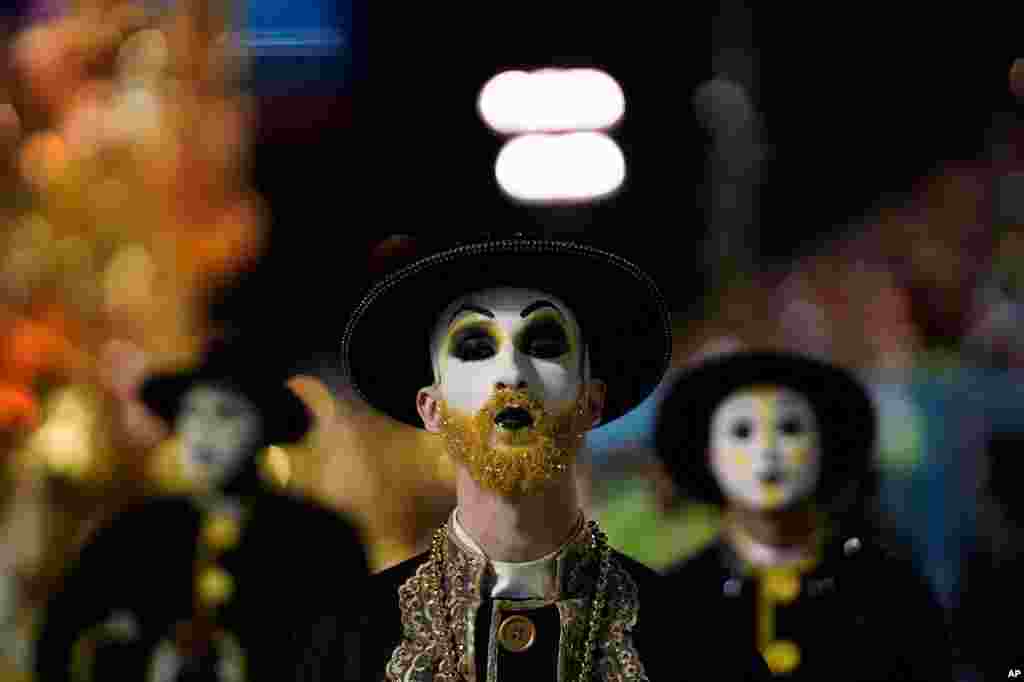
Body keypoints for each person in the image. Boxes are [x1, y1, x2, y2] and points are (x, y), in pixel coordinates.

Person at [306, 231, 770, 681]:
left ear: (591, 402)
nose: (511, 372)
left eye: (544, 346)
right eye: (475, 348)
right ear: (432, 408)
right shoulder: (348, 644)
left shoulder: (699, 641)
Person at [33, 337, 369, 681]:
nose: (202, 431)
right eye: (191, 412)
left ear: (264, 426)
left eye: (225, 413)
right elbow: (62, 640)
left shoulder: (321, 542)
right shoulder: (132, 533)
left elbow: (348, 656)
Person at [654, 350, 951, 681]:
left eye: (790, 428)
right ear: (708, 456)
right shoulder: (678, 603)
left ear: (823, 448)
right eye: (741, 432)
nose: (768, 451)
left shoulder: (891, 593)